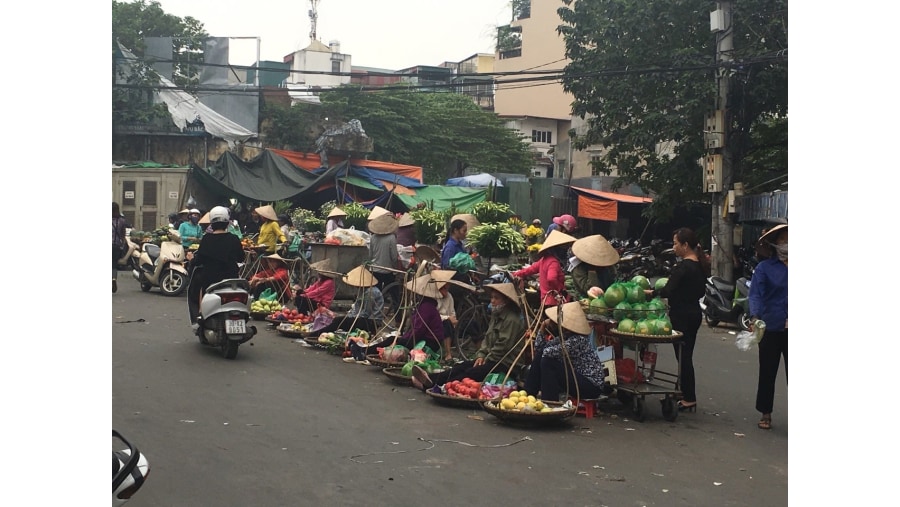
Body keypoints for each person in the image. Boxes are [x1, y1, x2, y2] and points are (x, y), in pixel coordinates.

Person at [412, 283, 526, 390]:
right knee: (461, 366)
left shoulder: (512, 320)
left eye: (496, 298)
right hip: (492, 358)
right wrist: (481, 355)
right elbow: (487, 339)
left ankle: (437, 385)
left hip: (505, 363)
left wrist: (486, 358)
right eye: (492, 298)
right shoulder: (496, 315)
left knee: (471, 372)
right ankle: (430, 379)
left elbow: (503, 346)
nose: (492, 301)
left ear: (506, 301)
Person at [645, 227, 709, 412]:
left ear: (685, 245)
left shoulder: (683, 267)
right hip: (694, 314)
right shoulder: (700, 266)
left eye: (675, 244)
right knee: (686, 353)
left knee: (683, 356)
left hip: (681, 315)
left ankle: (689, 397)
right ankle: (684, 392)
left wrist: (652, 293)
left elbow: (668, 290)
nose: (673, 247)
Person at [524, 302, 609, 402]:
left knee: (548, 362)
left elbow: (546, 353)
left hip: (591, 387)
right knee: (542, 357)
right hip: (579, 380)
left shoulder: (578, 340)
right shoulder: (566, 336)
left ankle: (550, 402)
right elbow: (539, 349)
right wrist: (542, 329)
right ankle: (528, 395)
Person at [748, 224, 788, 431]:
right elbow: (755, 294)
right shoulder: (764, 269)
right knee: (768, 372)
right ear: (775, 245)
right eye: (783, 240)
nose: (787, 244)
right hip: (770, 326)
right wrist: (755, 317)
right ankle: (766, 413)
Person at [186, 206, 245, 330]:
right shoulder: (234, 239)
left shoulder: (207, 239)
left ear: (212, 223)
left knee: (196, 290)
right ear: (227, 223)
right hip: (231, 278)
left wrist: (191, 258)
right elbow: (241, 258)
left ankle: (201, 316)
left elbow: (199, 260)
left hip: (211, 279)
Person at [512, 229, 576, 307]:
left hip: (545, 300)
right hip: (554, 301)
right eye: (563, 249)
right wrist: (559, 289)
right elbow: (551, 279)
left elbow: (530, 270)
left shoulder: (544, 260)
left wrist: (516, 274)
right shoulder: (553, 262)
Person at [395, 274, 447, 356]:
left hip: (430, 342)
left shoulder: (426, 307)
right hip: (426, 338)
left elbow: (418, 330)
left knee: (396, 341)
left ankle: (368, 351)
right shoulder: (426, 305)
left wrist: (404, 339)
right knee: (395, 340)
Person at [569, 234, 620, 298]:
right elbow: (588, 290)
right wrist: (592, 271)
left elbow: (612, 278)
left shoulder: (607, 264)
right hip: (587, 299)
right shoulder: (578, 268)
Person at [367, 212, 401, 301]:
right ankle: (397, 313)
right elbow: (394, 256)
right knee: (394, 294)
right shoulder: (391, 238)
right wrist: (395, 269)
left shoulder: (373, 237)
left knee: (375, 294)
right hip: (387, 270)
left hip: (374, 269)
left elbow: (370, 255)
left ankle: (375, 312)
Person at [113, 202, 128, 293]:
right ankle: (114, 279)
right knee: (114, 265)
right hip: (116, 245)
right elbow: (123, 233)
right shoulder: (122, 220)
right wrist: (122, 244)